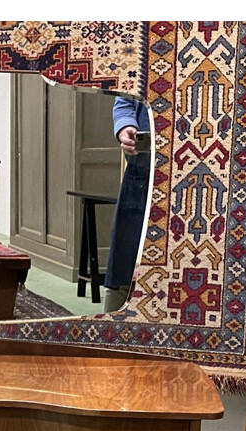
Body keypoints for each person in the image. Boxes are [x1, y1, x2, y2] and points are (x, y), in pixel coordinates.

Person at [103, 97, 151, 312]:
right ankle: (107, 338)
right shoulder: (144, 63)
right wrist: (125, 127)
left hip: (199, 182)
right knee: (124, 264)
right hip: (142, 170)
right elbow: (124, 101)